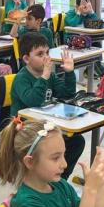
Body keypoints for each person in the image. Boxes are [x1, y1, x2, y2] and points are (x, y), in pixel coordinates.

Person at [10, 32, 81, 179]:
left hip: (44, 123)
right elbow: (33, 101)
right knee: (50, 145)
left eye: (47, 52)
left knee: (77, 141)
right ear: (26, 59)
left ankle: (61, 178)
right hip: (25, 128)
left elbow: (67, 93)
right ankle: (44, 176)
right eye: (40, 54)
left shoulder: (49, 75)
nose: (46, 57)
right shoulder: (21, 78)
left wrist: (69, 72)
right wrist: (44, 77)